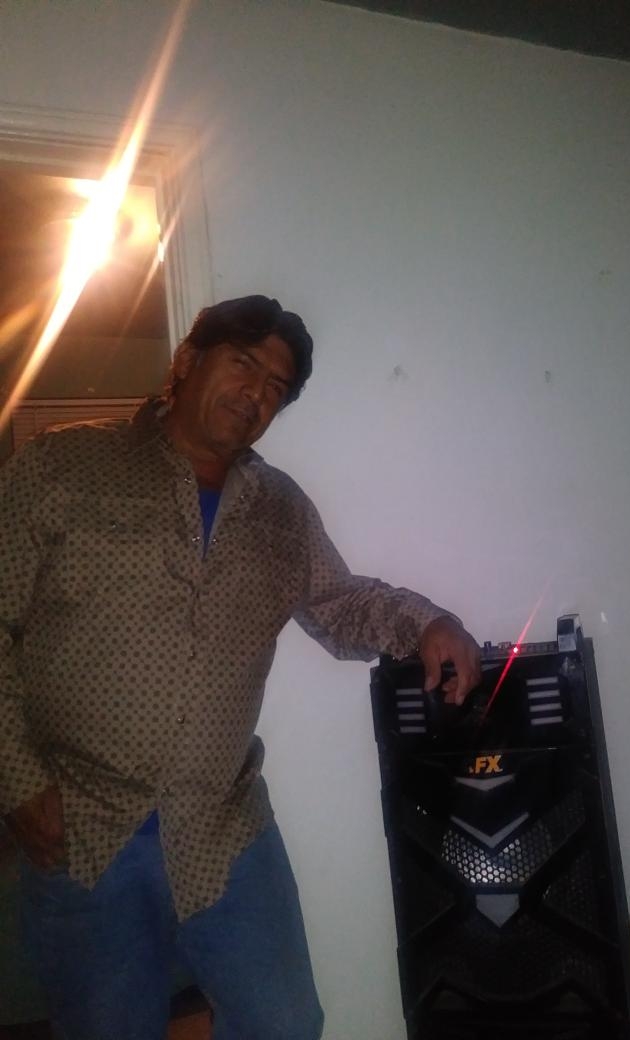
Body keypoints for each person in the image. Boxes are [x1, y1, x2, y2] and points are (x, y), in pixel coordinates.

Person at [0, 295, 481, 1040]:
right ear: (187, 361)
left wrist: (427, 624)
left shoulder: (279, 509)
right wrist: (20, 782)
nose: (256, 393)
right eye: (243, 364)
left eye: (276, 387)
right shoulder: (61, 465)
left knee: (284, 1024)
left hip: (223, 826)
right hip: (82, 828)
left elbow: (340, 603)